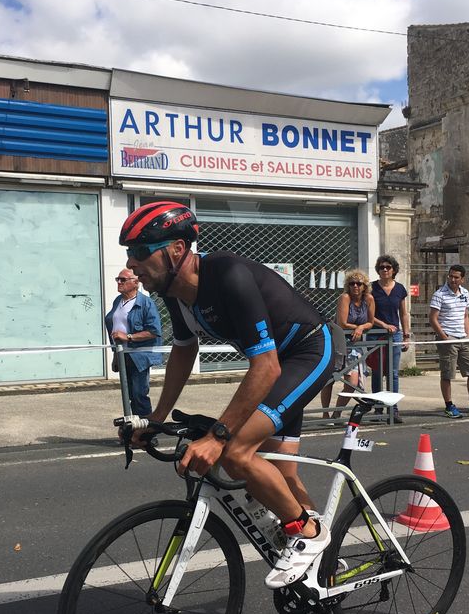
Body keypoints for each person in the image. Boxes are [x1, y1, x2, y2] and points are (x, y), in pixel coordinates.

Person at [121, 201, 345, 589]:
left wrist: (218, 436)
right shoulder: (174, 291)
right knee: (281, 473)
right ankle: (323, 567)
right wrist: (155, 418)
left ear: (176, 249)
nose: (132, 264)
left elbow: (266, 368)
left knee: (237, 451)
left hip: (309, 350)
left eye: (140, 251)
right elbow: (184, 351)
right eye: (129, 253)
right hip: (279, 362)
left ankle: (308, 533)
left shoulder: (227, 274)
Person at [429, 265, 469, 419]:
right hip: (448, 338)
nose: (453, 279)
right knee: (448, 374)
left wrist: (467, 335)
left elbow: (465, 315)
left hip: (463, 338)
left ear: (462, 279)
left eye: (456, 277)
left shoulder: (465, 293)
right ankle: (449, 406)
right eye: (450, 276)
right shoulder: (439, 294)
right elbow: (433, 318)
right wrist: (443, 336)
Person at [105, 268, 164, 417]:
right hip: (123, 355)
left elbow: (154, 331)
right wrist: (115, 356)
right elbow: (115, 330)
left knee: (139, 395)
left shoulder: (145, 303)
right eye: (117, 279)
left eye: (123, 280)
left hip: (139, 356)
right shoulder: (118, 301)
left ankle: (146, 427)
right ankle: (133, 425)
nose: (119, 282)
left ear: (136, 283)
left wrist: (129, 337)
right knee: (129, 395)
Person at [321, 268, 375, 419]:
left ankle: (336, 413)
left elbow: (370, 322)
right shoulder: (345, 298)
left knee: (353, 383)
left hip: (356, 345)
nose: (355, 286)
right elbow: (342, 323)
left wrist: (361, 327)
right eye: (352, 283)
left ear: (364, 286)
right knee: (330, 379)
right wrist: (357, 327)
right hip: (338, 343)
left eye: (359, 283)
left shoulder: (369, 299)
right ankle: (325, 413)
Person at [369, 254, 411, 423]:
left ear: (393, 270)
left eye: (388, 267)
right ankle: (378, 408)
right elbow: (368, 315)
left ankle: (393, 408)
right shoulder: (371, 288)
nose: (385, 270)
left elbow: (403, 313)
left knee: (393, 373)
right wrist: (383, 325)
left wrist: (406, 335)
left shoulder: (399, 289)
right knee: (377, 372)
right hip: (375, 334)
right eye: (382, 267)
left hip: (395, 334)